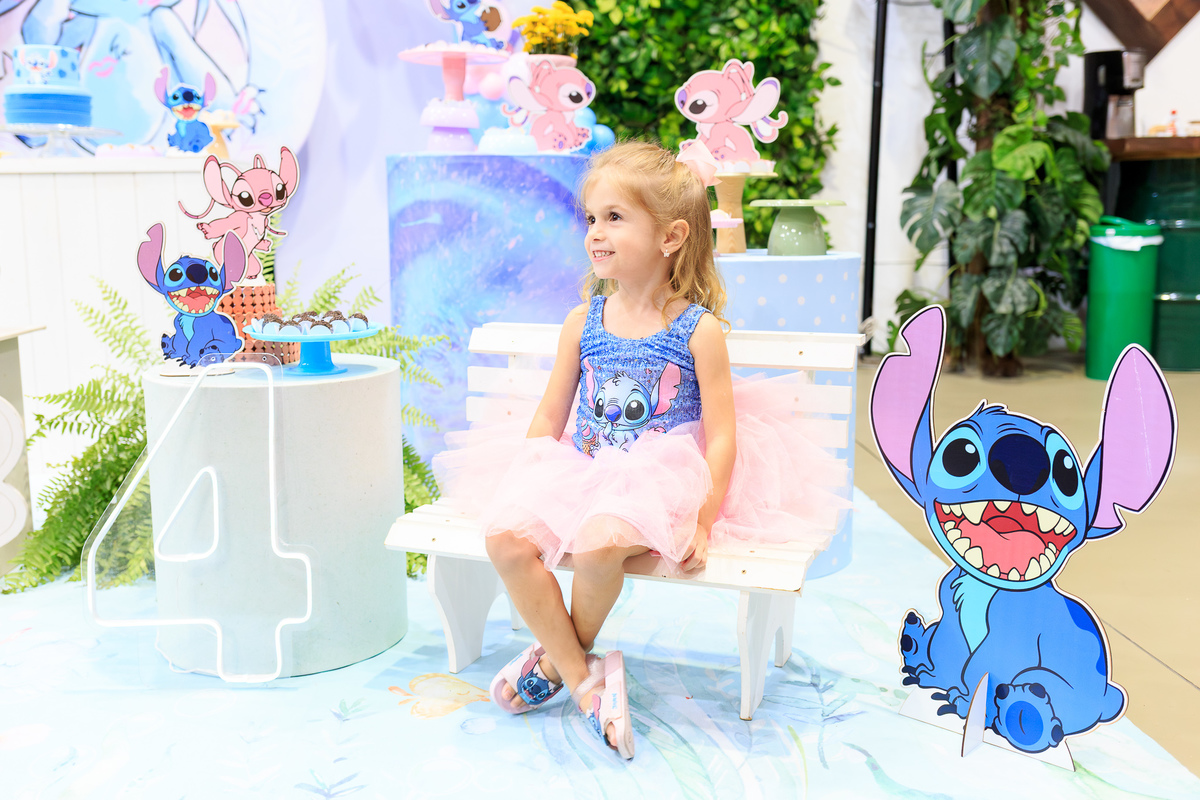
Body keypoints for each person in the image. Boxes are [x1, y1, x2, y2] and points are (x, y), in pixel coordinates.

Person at [434, 140, 846, 761]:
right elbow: (550, 413)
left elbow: (723, 434)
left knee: (599, 543)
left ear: (671, 237)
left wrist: (703, 519)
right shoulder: (582, 322)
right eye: (591, 218)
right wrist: (527, 476)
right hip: (582, 470)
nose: (595, 233)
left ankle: (558, 661)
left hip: (660, 480)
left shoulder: (696, 330)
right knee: (505, 541)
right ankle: (584, 680)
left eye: (615, 218)